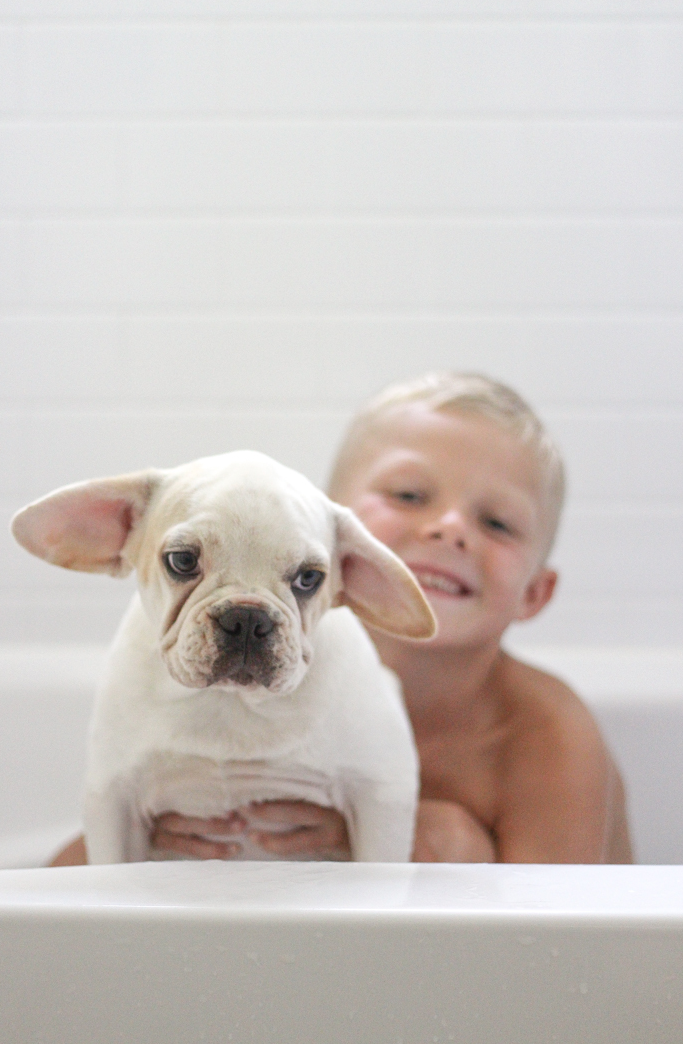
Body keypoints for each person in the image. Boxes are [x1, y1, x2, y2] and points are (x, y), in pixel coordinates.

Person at [51, 371, 632, 866]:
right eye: (408, 495)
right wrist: (147, 841)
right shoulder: (222, 692)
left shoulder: (544, 734)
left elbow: (562, 947)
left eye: (497, 524)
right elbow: (55, 890)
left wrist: (448, 849)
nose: (448, 528)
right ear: (316, 523)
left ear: (535, 593)